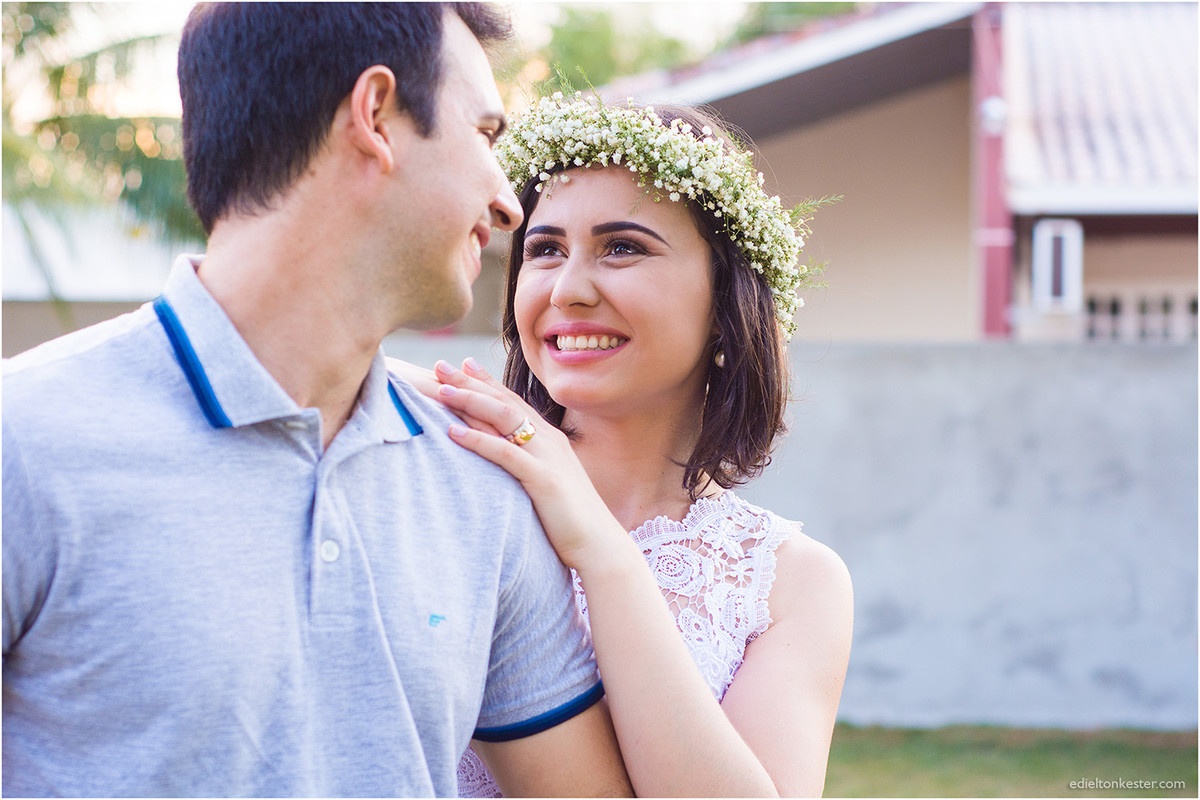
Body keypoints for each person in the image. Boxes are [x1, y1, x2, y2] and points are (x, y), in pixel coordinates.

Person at [2, 7, 633, 797]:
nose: (509, 203)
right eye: (484, 133)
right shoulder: (20, 445)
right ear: (375, 117)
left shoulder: (486, 479)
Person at [411, 94, 853, 796]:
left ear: (727, 298)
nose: (568, 289)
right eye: (545, 249)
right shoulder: (444, 473)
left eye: (622, 248)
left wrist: (603, 553)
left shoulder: (792, 584)